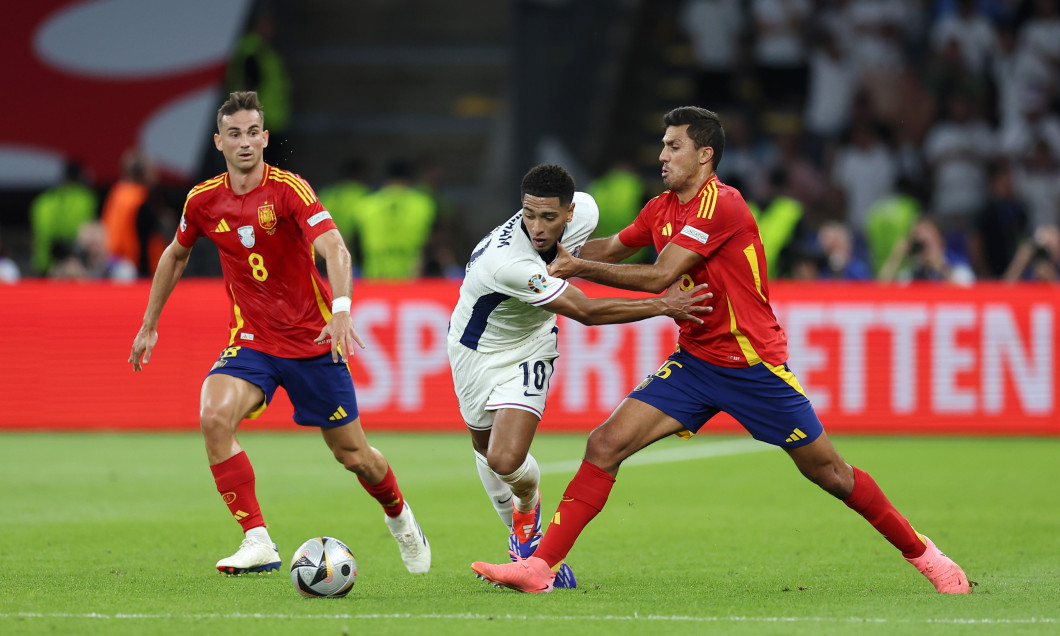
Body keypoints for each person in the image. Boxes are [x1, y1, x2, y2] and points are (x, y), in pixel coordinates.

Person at [470, 106, 971, 595]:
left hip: (753, 366)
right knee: (604, 444)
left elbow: (661, 275)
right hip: (695, 363)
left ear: (705, 154)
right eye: (662, 145)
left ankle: (926, 555)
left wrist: (575, 269)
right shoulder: (663, 205)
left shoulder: (721, 205)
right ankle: (540, 567)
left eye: (674, 146)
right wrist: (546, 252)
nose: (662, 155)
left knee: (832, 475)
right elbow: (614, 248)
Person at [128, 91, 430, 577]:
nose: (245, 142)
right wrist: (148, 325)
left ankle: (400, 516)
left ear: (265, 138)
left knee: (354, 455)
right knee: (213, 415)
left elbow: (336, 249)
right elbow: (175, 255)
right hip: (252, 341)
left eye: (253, 133)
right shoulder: (203, 201)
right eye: (235, 134)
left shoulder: (290, 190)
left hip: (312, 343)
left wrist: (343, 309)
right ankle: (257, 539)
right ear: (219, 141)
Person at [450, 163, 712, 589]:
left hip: (530, 344)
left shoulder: (585, 210)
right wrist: (664, 305)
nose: (537, 227)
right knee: (486, 452)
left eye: (549, 218)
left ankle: (527, 525)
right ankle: (523, 524)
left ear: (570, 213)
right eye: (528, 214)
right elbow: (586, 311)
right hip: (474, 350)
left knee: (504, 459)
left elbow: (598, 253)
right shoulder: (509, 262)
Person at [29, 159, 97, 275]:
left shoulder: (42, 202)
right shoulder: (87, 199)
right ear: (80, 177)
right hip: (74, 266)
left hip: (45, 265)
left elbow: (35, 235)